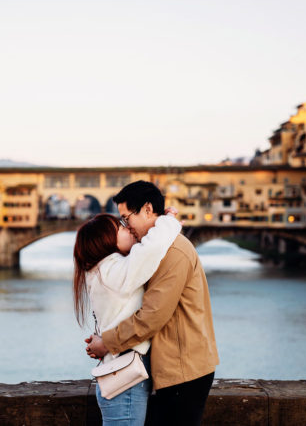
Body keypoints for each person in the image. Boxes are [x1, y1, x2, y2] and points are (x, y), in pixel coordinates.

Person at [85, 180, 219, 426]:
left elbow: (152, 315)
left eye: (127, 218)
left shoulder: (172, 252)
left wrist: (108, 343)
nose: (126, 225)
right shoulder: (157, 248)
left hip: (183, 371)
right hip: (173, 368)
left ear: (147, 209)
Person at [73, 209, 182, 426]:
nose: (128, 229)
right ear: (106, 241)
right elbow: (152, 249)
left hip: (120, 376)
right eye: (121, 228)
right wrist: (167, 220)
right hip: (126, 380)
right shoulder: (113, 270)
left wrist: (104, 342)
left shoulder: (101, 271)